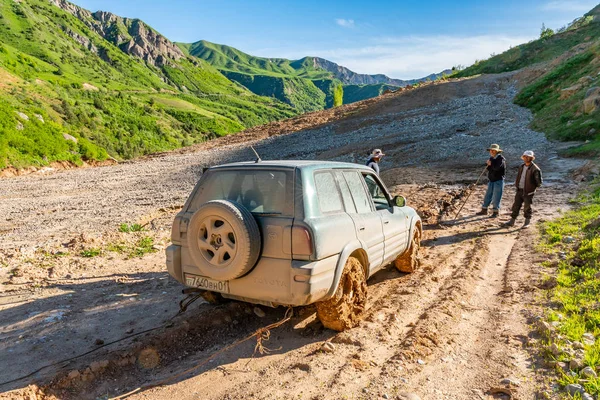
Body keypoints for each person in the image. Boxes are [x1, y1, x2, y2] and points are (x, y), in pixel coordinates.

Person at [504, 150, 543, 228]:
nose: (526, 158)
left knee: (527, 207)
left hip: (529, 192)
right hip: (519, 189)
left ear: (531, 158)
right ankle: (512, 221)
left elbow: (539, 182)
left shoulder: (535, 169)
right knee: (516, 205)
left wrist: (531, 189)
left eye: (528, 157)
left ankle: (527, 222)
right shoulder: (521, 166)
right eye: (525, 156)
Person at [476, 144, 506, 218]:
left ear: (497, 151)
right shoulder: (492, 158)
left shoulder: (501, 159)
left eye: (493, 150)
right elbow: (490, 169)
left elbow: (496, 168)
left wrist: (490, 164)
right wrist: (488, 165)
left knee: (496, 197)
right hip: (491, 180)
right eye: (491, 150)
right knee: (488, 195)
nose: (491, 151)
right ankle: (484, 209)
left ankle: (495, 212)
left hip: (498, 180)